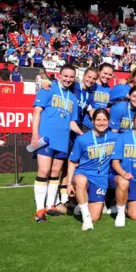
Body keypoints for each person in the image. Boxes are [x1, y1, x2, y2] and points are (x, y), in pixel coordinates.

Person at [31, 64, 81, 222]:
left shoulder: (73, 98)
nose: (68, 79)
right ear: (59, 75)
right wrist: (34, 135)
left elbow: (72, 122)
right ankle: (39, 210)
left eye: (71, 77)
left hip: (63, 140)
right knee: (44, 171)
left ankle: (50, 205)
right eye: (65, 76)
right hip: (46, 138)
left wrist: (83, 134)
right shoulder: (47, 89)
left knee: (55, 174)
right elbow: (37, 112)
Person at [66, 108, 117, 230]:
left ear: (109, 122)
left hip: (100, 178)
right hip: (83, 174)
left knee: (95, 217)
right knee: (80, 181)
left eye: (104, 120)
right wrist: (68, 183)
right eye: (98, 119)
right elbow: (72, 162)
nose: (101, 123)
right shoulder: (82, 139)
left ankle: (80, 204)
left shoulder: (115, 138)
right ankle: (86, 217)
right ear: (93, 121)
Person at [81, 63, 114, 131]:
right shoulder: (91, 84)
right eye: (105, 73)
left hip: (101, 126)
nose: (107, 76)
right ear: (99, 72)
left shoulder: (108, 89)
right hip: (87, 125)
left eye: (110, 75)